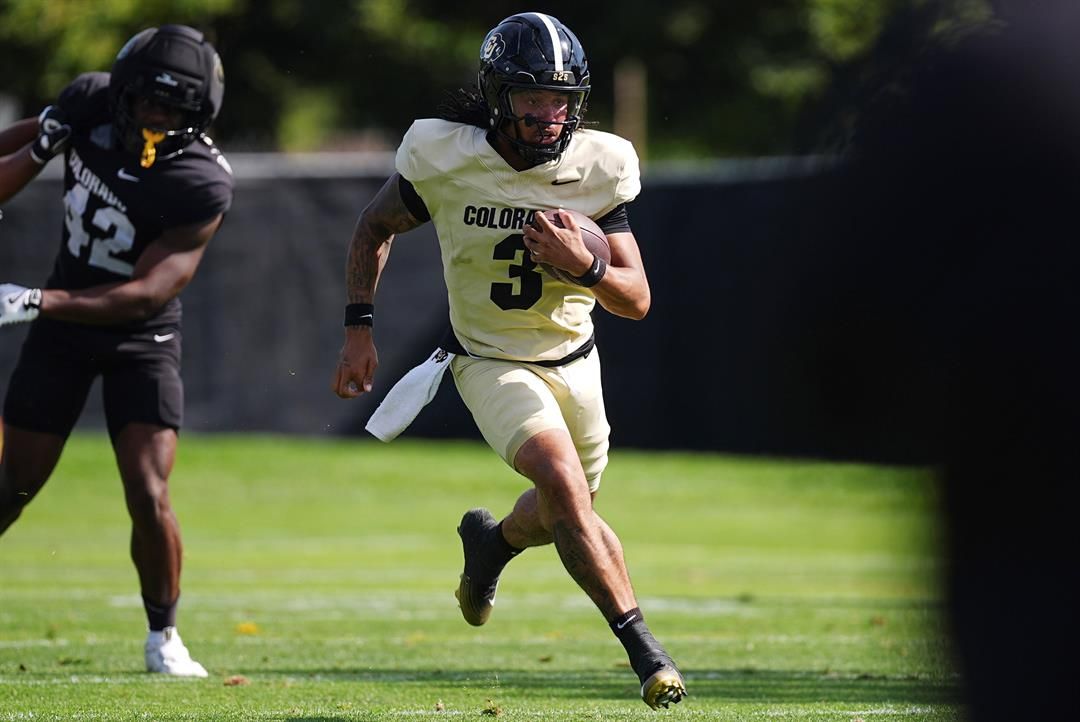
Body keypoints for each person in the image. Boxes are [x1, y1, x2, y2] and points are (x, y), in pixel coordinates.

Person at [332, 12, 686, 709]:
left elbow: (636, 298)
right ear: (497, 96)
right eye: (530, 97)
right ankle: (647, 654)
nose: (547, 113)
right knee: (559, 480)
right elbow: (375, 224)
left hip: (574, 361)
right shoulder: (444, 154)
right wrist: (358, 329)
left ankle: (493, 546)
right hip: (488, 358)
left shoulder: (599, 164)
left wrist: (582, 267)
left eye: (560, 98)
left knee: (566, 505)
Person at [0, 24, 233, 677]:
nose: (155, 117)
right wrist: (44, 140)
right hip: (61, 335)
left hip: (142, 339)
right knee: (12, 486)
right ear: (123, 93)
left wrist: (38, 301)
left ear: (198, 114)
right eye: (146, 102)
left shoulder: (202, 180)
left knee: (149, 489)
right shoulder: (89, 102)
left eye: (172, 108)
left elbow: (144, 293)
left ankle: (165, 636)